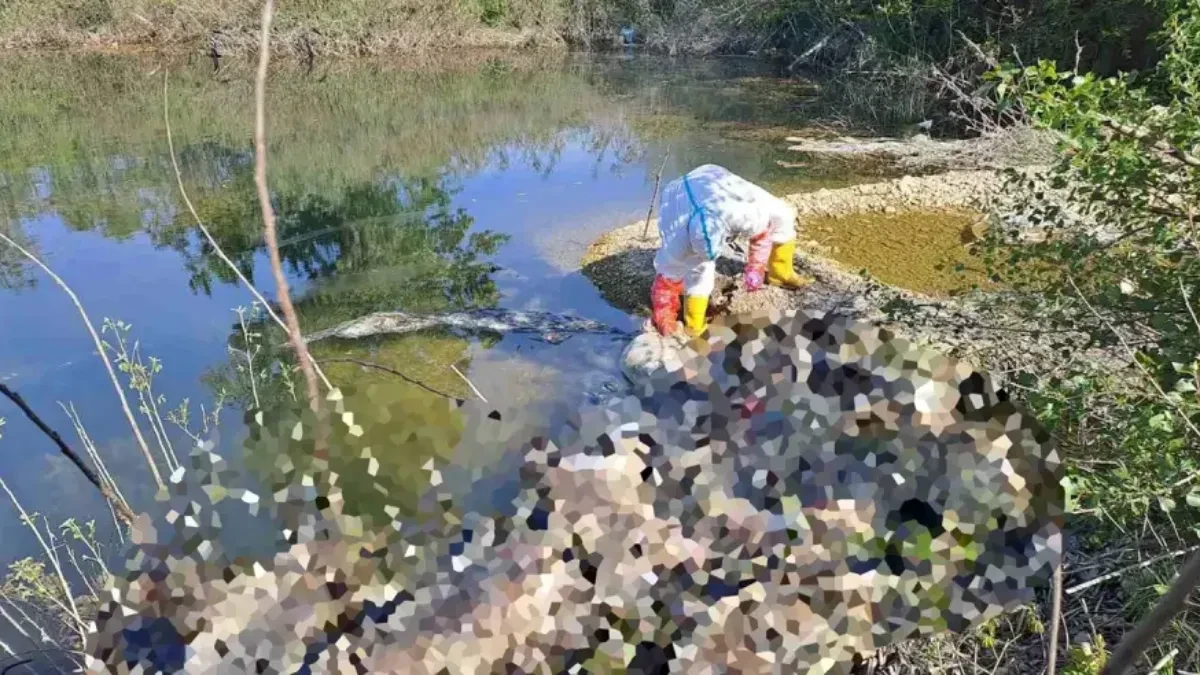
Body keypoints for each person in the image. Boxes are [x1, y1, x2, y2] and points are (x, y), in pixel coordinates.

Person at [650, 164, 812, 336]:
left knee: (782, 214)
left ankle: (780, 272)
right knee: (699, 270)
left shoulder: (743, 214)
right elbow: (665, 283)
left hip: (715, 180)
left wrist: (756, 268)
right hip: (678, 195)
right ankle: (694, 324)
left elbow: (763, 233)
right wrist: (665, 317)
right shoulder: (676, 242)